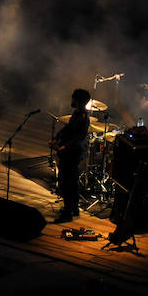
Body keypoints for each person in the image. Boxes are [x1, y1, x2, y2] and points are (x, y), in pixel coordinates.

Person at [52, 88, 91, 223]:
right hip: (71, 151)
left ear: (78, 100)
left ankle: (68, 213)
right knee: (71, 181)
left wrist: (64, 146)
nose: (71, 100)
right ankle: (73, 208)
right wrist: (58, 136)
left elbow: (78, 138)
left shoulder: (83, 117)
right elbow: (68, 128)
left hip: (73, 153)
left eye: (73, 98)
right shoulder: (77, 113)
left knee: (67, 182)